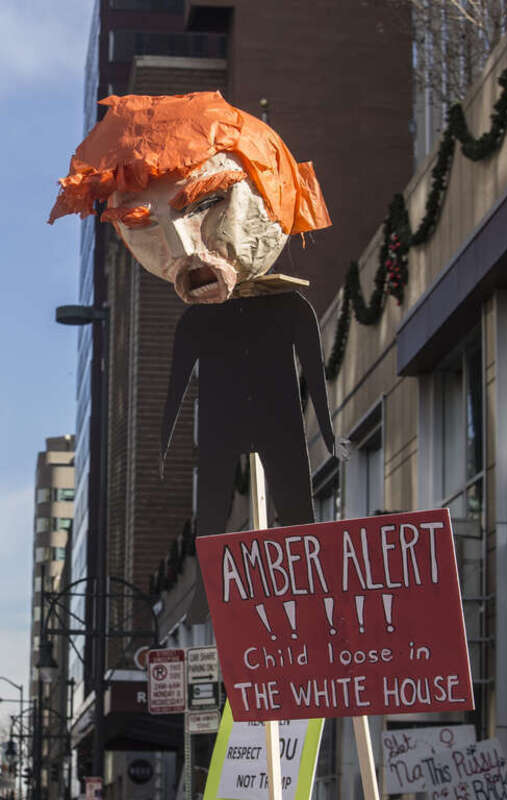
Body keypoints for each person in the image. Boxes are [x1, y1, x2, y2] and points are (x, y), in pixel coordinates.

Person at [50, 91, 346, 622]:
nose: (184, 249)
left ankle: (315, 618)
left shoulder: (290, 311)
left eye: (208, 202)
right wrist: (163, 447)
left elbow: (316, 379)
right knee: (213, 514)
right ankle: (219, 612)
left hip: (274, 422)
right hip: (221, 430)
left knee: (295, 507)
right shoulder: (197, 322)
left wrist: (328, 433)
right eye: (140, 223)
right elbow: (175, 390)